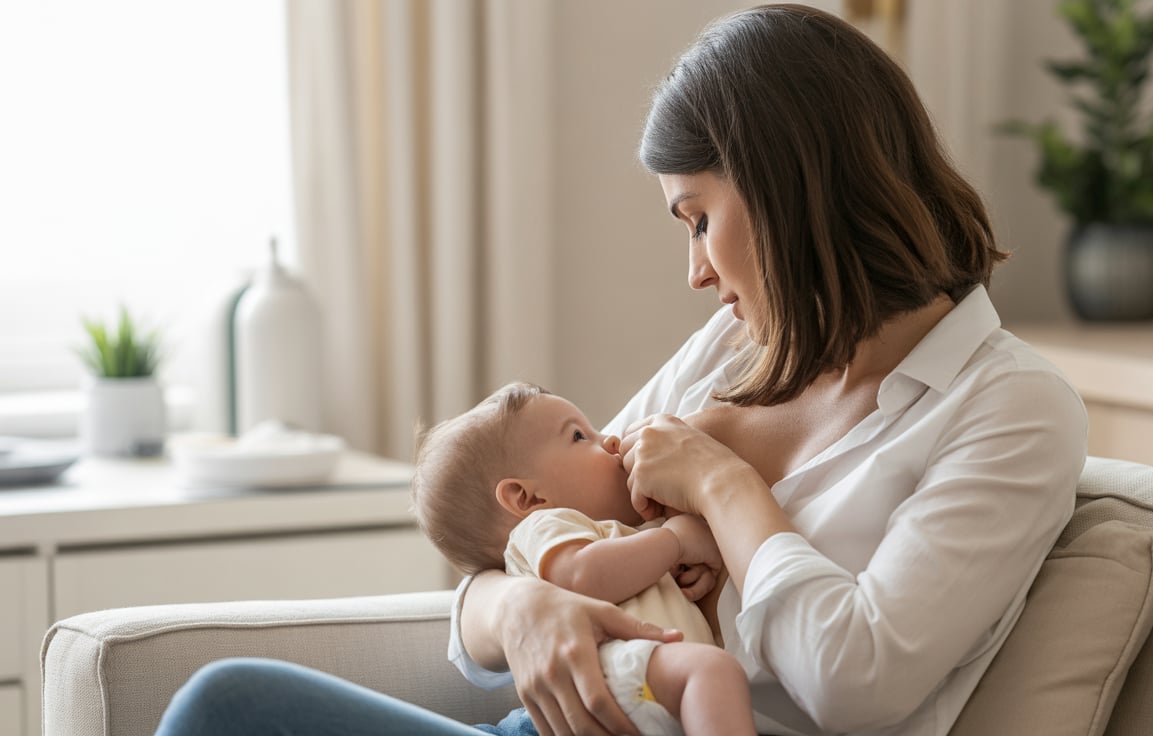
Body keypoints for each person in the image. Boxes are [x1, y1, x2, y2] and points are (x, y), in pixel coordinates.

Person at [155, 4, 1086, 735]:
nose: (696, 271)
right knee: (225, 705)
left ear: (791, 190)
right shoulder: (733, 351)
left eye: (698, 217)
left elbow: (856, 682)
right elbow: (530, 538)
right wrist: (520, 608)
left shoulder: (1009, 408)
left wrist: (723, 486)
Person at [410, 381, 754, 735]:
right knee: (713, 671)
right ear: (527, 499)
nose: (611, 440)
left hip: (642, 687)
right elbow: (581, 576)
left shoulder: (620, 533)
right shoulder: (545, 525)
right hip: (606, 678)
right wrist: (675, 541)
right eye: (579, 436)